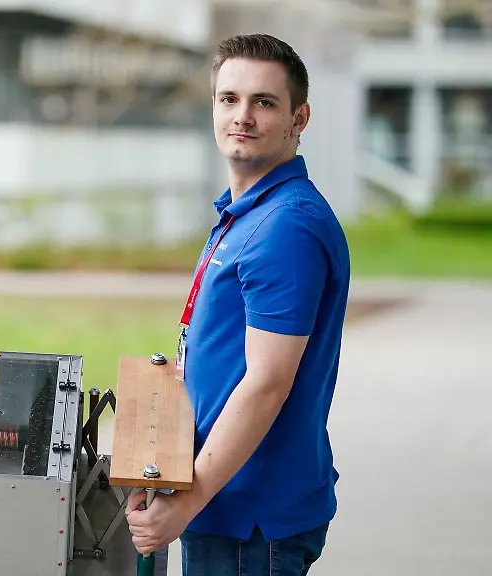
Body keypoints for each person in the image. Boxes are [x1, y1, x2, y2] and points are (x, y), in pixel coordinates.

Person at [125, 33, 350, 575]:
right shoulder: (246, 212)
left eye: (264, 102)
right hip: (225, 501)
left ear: (300, 118)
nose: (242, 116)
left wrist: (187, 501)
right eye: (229, 99)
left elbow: (267, 382)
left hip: (251, 519)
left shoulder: (285, 226)